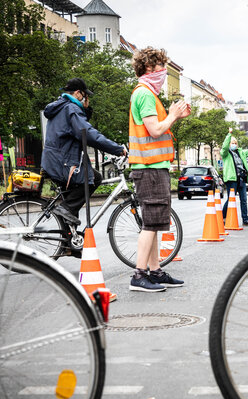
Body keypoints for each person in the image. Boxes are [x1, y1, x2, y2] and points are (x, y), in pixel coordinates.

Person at [128, 47, 189, 293]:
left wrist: (176, 115)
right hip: (149, 168)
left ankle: (155, 272)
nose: (163, 73)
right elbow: (154, 130)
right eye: (159, 68)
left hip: (152, 167)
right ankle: (139, 275)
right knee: (150, 224)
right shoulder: (144, 94)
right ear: (149, 69)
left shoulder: (148, 94)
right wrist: (173, 115)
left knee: (153, 223)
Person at [41, 78, 126, 226]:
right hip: (64, 162)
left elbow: (79, 127)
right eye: (85, 95)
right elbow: (88, 133)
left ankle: (70, 246)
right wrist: (117, 149)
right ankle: (65, 208)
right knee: (94, 178)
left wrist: (86, 110)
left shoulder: (61, 107)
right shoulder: (71, 109)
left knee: (70, 208)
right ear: (78, 93)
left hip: (56, 160)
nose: (87, 98)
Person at [221, 128, 248, 226]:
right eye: (232, 143)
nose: (234, 144)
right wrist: (229, 134)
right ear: (229, 143)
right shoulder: (225, 153)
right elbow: (224, 147)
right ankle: (222, 216)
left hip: (241, 179)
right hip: (231, 179)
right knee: (231, 199)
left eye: (235, 143)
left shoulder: (241, 152)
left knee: (244, 200)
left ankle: (245, 220)